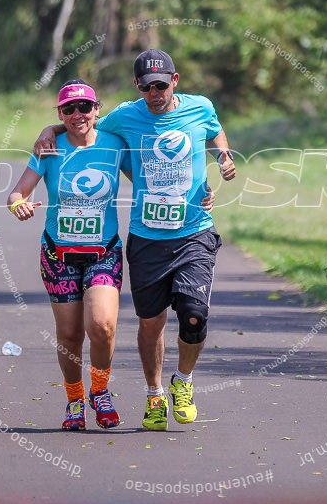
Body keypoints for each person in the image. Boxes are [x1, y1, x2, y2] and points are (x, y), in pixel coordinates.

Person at [34, 49, 237, 431]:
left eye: (161, 85)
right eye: (147, 87)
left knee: (194, 316)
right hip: (146, 239)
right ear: (138, 87)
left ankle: (184, 382)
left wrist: (223, 155)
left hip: (194, 230)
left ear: (175, 81)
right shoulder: (126, 115)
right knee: (151, 323)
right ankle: (154, 394)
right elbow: (85, 123)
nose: (155, 92)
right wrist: (52, 130)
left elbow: (214, 129)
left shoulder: (200, 107)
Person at [8, 80, 129, 430]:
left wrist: (197, 193)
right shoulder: (49, 147)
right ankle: (75, 399)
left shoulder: (115, 144)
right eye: (68, 109)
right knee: (71, 335)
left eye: (85, 107)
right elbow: (16, 193)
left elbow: (149, 182)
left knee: (102, 326)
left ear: (97, 109)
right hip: (58, 254)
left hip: (103, 253)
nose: (77, 114)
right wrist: (19, 206)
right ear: (59, 113)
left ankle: (101, 391)